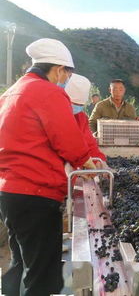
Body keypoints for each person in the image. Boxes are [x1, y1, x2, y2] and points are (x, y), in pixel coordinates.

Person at [0, 38, 97, 295]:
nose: (65, 80)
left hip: (9, 193)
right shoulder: (48, 92)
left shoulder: (11, 92)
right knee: (41, 271)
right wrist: (88, 165)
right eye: (67, 73)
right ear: (58, 69)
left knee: (20, 259)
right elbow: (67, 140)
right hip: (35, 194)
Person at [65, 74, 107, 165]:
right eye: (73, 104)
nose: (76, 108)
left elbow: (90, 144)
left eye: (80, 105)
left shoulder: (81, 118)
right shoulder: (51, 115)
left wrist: (99, 160)